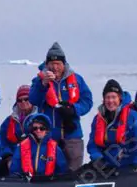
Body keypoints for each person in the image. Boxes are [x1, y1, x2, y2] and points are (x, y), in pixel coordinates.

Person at [27, 41, 93, 172]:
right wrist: (43, 84)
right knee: (50, 171)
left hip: (72, 135)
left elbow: (87, 101)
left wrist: (74, 109)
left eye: (58, 64)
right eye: (52, 64)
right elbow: (33, 100)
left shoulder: (77, 79)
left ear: (64, 64)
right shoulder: (39, 80)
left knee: (74, 172)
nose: (55, 67)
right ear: (46, 64)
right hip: (49, 136)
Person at [87, 79, 137, 168]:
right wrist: (97, 159)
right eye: (107, 97)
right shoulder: (98, 119)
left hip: (128, 166)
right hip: (106, 167)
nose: (110, 101)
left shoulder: (133, 116)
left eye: (113, 97)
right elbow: (92, 144)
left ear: (120, 98)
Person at [9, 113, 68, 178]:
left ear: (46, 130)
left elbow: (62, 169)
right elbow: (14, 169)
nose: (38, 130)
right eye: (35, 128)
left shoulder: (55, 148)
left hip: (47, 183)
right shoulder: (21, 146)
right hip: (27, 183)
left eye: (42, 128)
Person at [0, 84, 38, 171]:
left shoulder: (40, 118)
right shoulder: (9, 121)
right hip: (14, 157)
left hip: (36, 157)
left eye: (26, 99)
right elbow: (2, 141)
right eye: (20, 100)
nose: (23, 102)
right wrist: (8, 156)